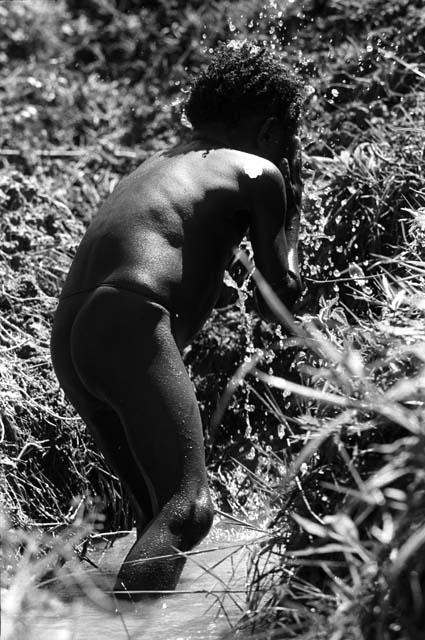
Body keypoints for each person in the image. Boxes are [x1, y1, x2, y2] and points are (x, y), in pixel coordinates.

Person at [50, 41, 304, 598]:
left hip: (72, 333)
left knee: (156, 521)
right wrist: (294, 209)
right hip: (129, 320)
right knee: (189, 510)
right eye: (289, 137)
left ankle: (127, 622)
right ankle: (133, 633)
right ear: (268, 133)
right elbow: (280, 292)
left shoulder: (161, 165)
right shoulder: (260, 170)